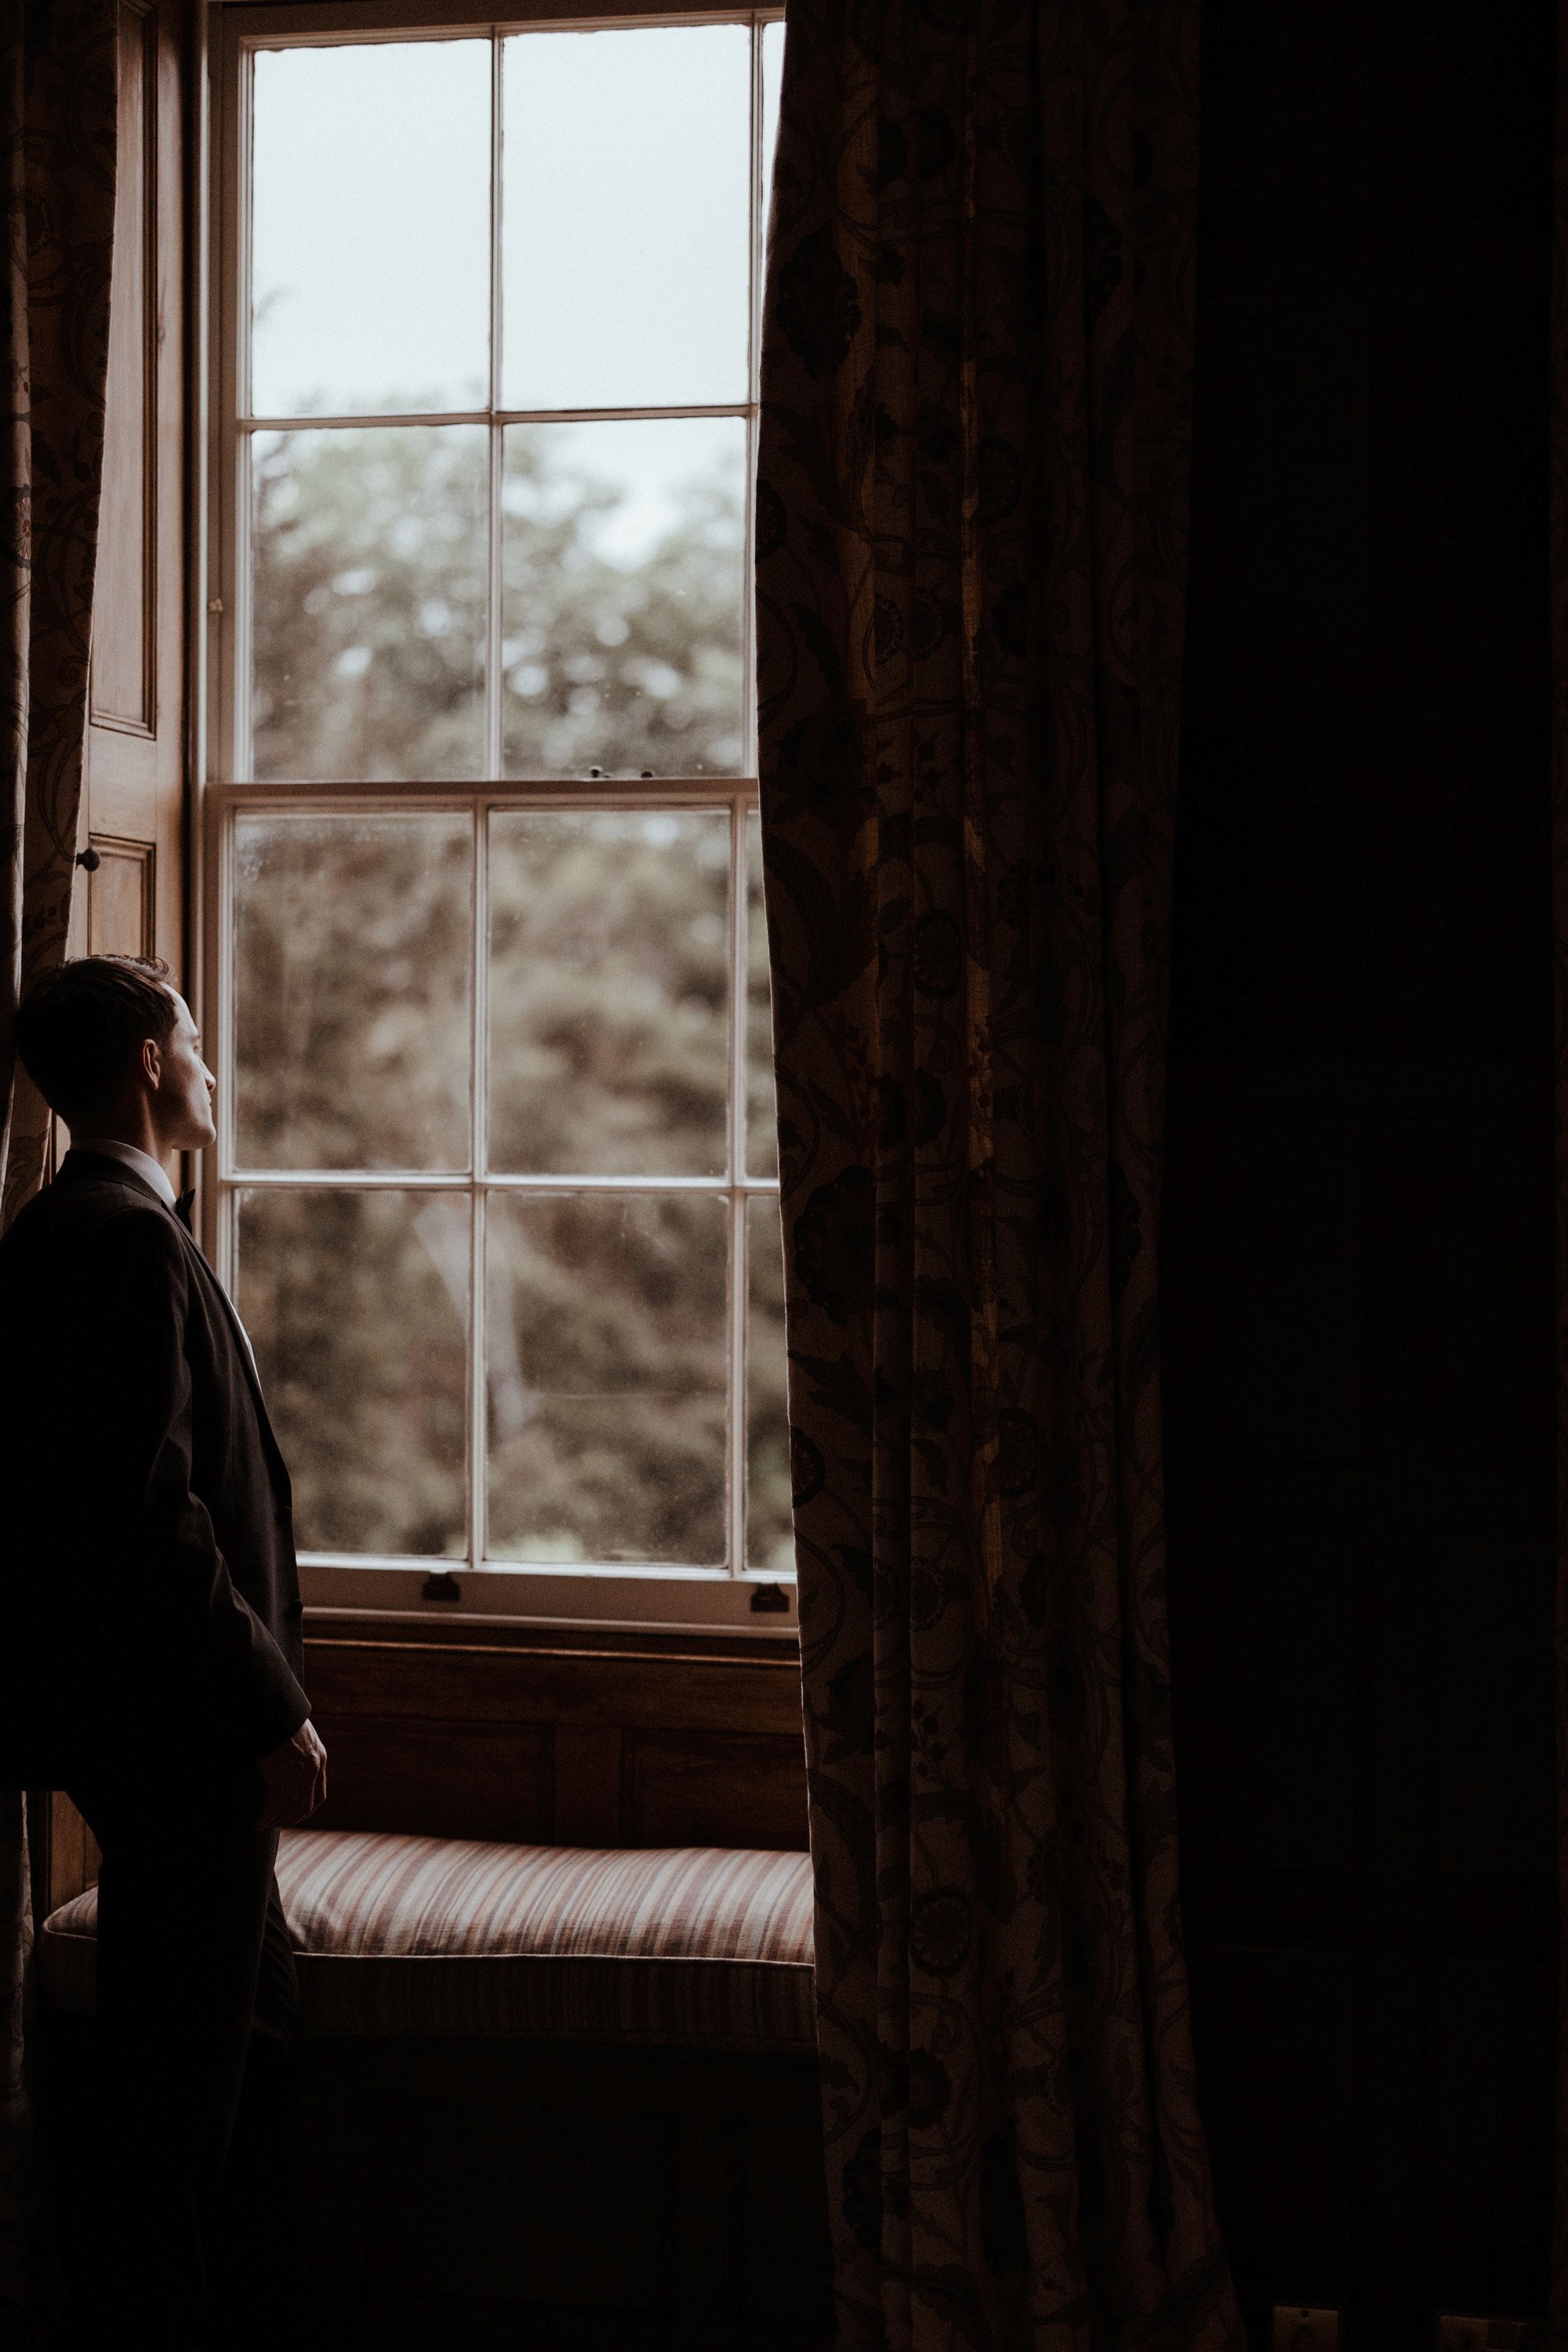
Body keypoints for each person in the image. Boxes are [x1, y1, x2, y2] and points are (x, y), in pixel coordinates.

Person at [0, 953, 328, 2348]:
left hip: (166, 1733)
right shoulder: (116, 1240)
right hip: (179, 1734)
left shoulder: (96, 1226)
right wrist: (270, 1709)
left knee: (238, 2054)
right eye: (193, 1035)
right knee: (175, 2111)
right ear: (146, 1060)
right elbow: (149, 1511)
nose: (210, 1060)